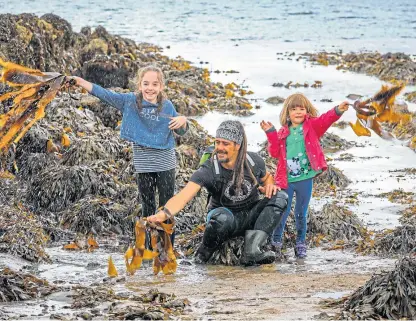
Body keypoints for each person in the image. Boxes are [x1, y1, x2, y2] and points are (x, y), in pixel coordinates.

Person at [147, 120, 288, 265]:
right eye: (217, 142)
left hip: (250, 216)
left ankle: (252, 249)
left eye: (225, 143)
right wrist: (162, 215)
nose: (219, 147)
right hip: (224, 219)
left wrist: (269, 186)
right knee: (222, 218)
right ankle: (203, 254)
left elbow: (267, 178)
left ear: (237, 145)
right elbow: (183, 197)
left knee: (280, 196)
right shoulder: (209, 169)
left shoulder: (254, 161)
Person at [71, 65, 188, 230]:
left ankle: (166, 251)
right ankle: (148, 250)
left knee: (166, 208)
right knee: (147, 208)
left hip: (165, 163)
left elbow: (180, 130)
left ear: (161, 86)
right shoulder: (129, 101)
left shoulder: (167, 106)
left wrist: (183, 120)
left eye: (155, 84)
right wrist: (81, 81)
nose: (150, 88)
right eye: (146, 83)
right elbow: (105, 94)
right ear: (140, 85)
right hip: (143, 164)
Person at [260, 93, 349, 259]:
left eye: (302, 108)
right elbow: (273, 152)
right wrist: (271, 133)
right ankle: (276, 242)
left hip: (305, 179)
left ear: (307, 111)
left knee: (301, 212)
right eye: (294, 109)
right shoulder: (282, 133)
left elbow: (326, 119)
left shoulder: (312, 126)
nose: (298, 112)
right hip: (286, 180)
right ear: (287, 113)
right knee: (283, 212)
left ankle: (301, 243)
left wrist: (338, 110)